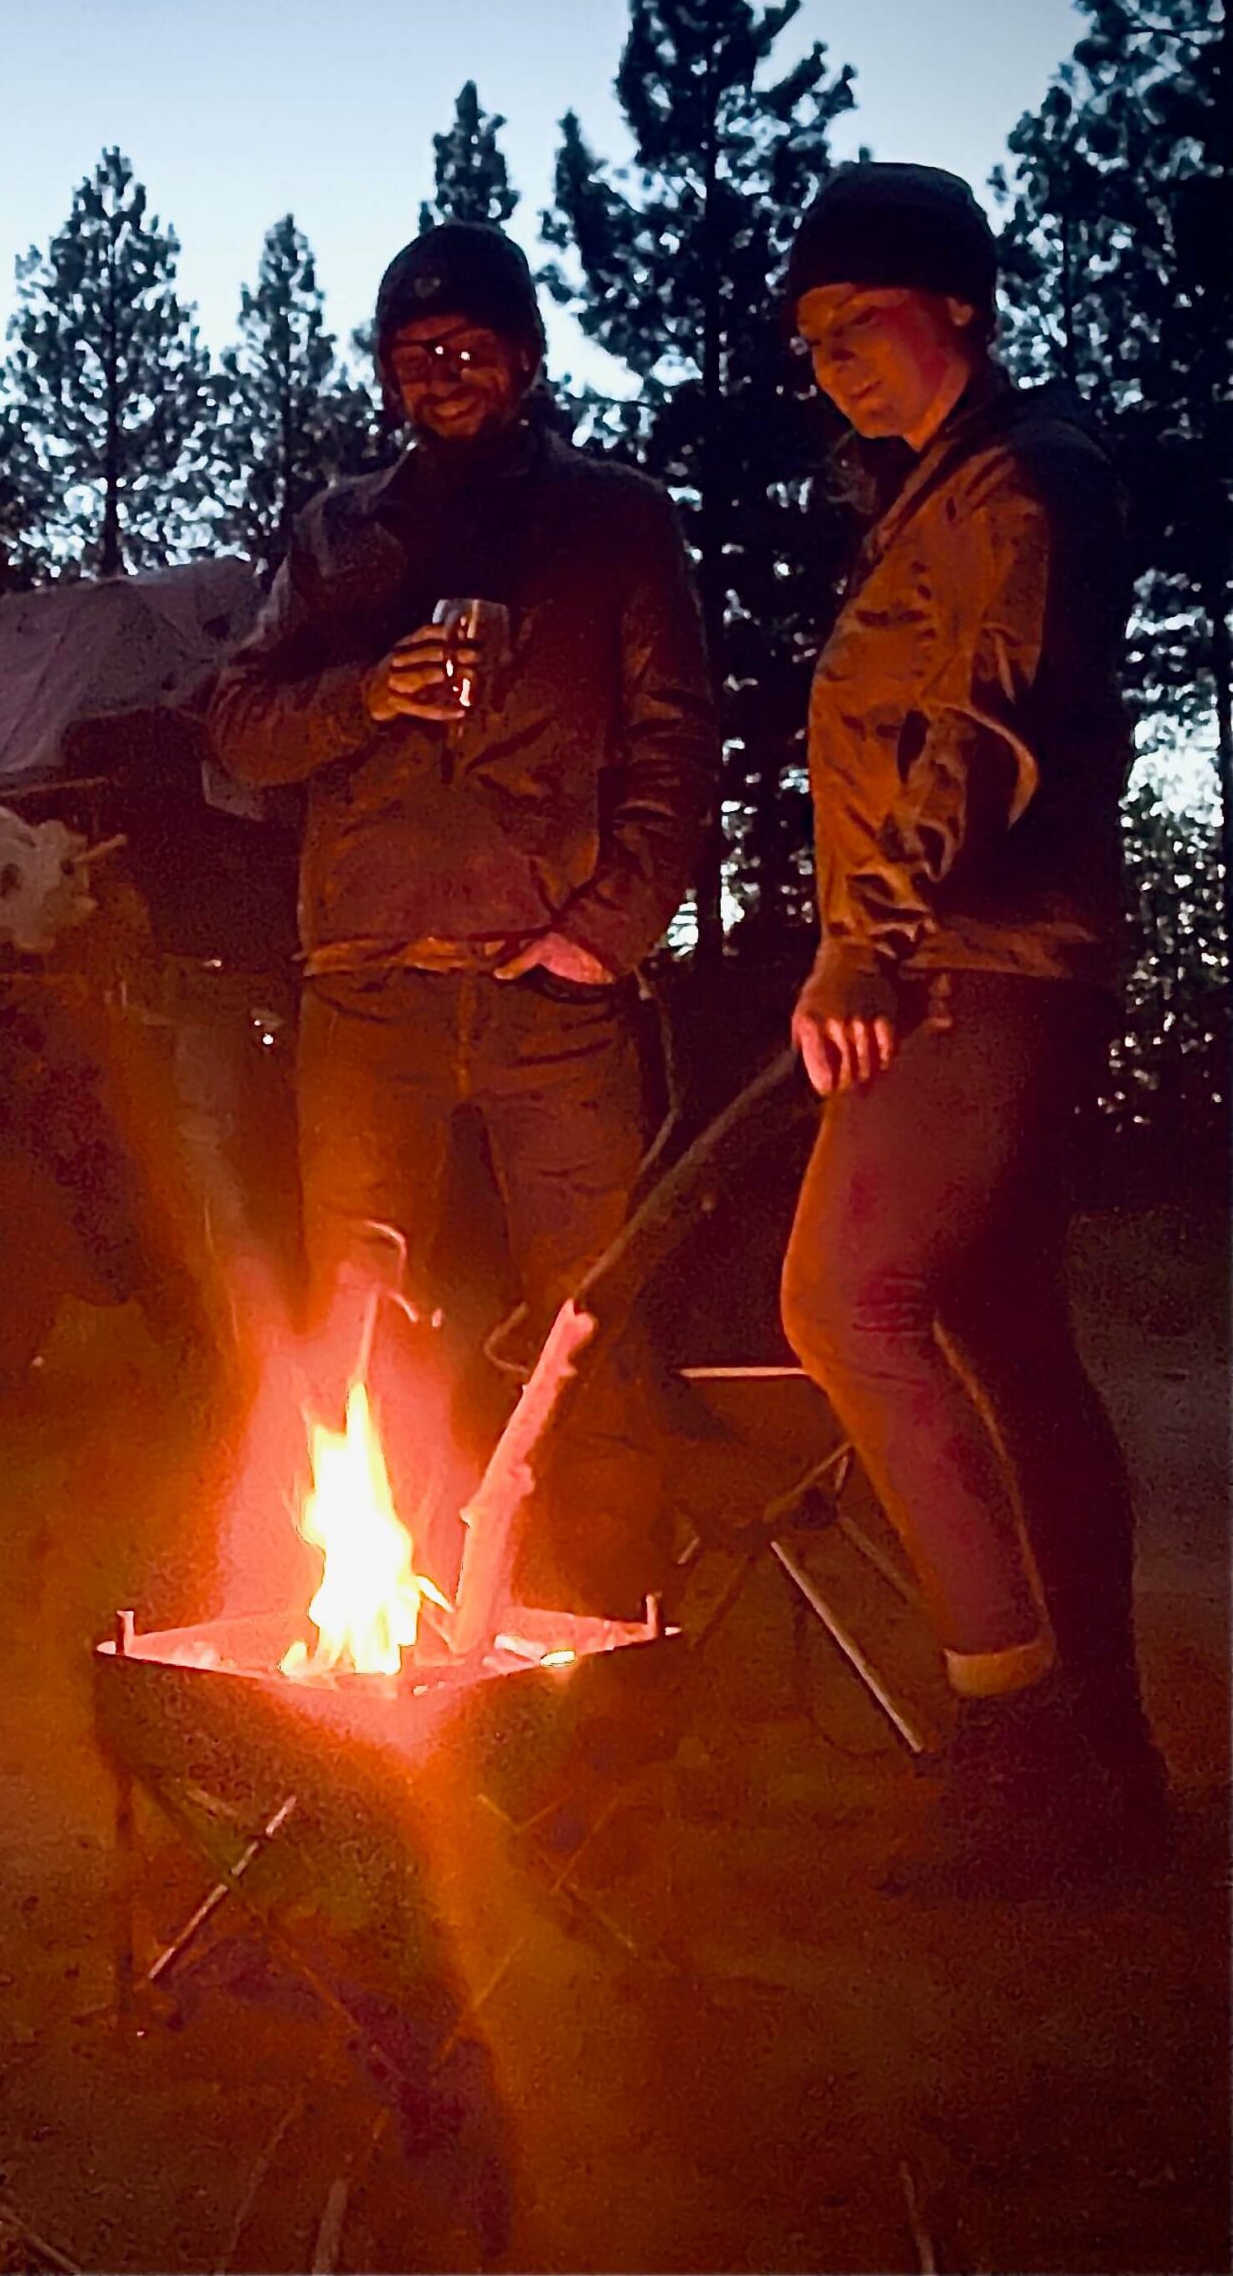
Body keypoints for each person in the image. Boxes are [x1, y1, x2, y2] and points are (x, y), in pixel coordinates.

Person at [207, 220, 716, 1613]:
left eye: (469, 346)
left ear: (527, 359)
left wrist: (602, 935)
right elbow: (239, 726)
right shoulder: (335, 534)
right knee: (358, 1325)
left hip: (551, 996)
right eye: (412, 350)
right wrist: (366, 695)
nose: (439, 371)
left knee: (586, 1321)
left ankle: (613, 1620)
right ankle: (379, 1620)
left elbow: (677, 746)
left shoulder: (611, 521)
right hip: (367, 989)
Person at [777, 160, 1169, 1894]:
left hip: (978, 965)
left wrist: (868, 946)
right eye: (811, 339)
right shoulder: (942, 497)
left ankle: (1020, 1736)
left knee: (843, 1301)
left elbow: (987, 729)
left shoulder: (1024, 483)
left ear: (956, 302)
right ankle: (1106, 1763)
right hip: (970, 954)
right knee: (1009, 1348)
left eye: (857, 320)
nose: (833, 360)